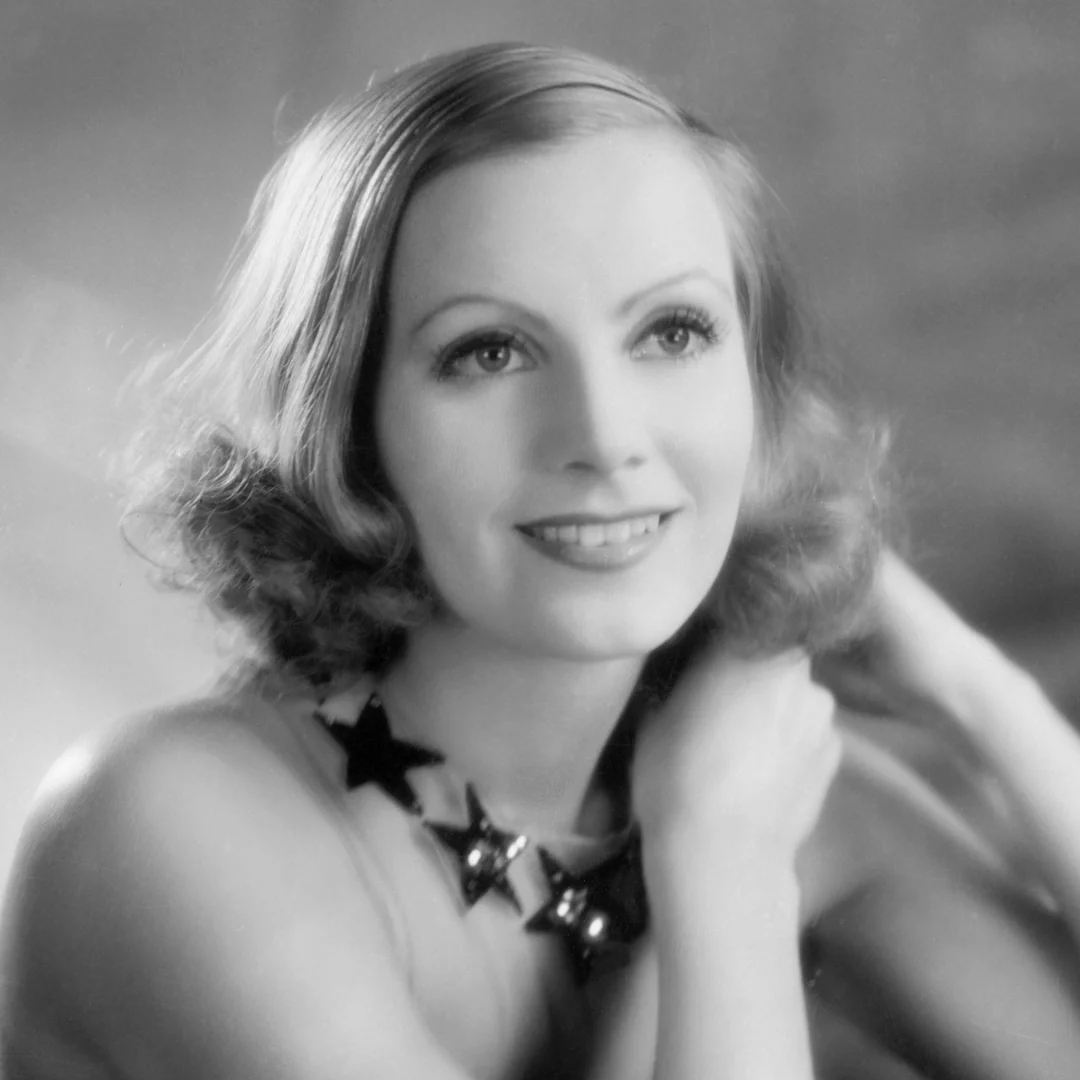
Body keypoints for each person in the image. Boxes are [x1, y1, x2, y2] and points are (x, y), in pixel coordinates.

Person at [2, 41, 1080, 1080]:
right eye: (490, 352)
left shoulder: (752, 780)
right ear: (346, 424)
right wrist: (724, 880)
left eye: (672, 332)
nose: (605, 436)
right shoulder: (168, 826)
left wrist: (985, 701)